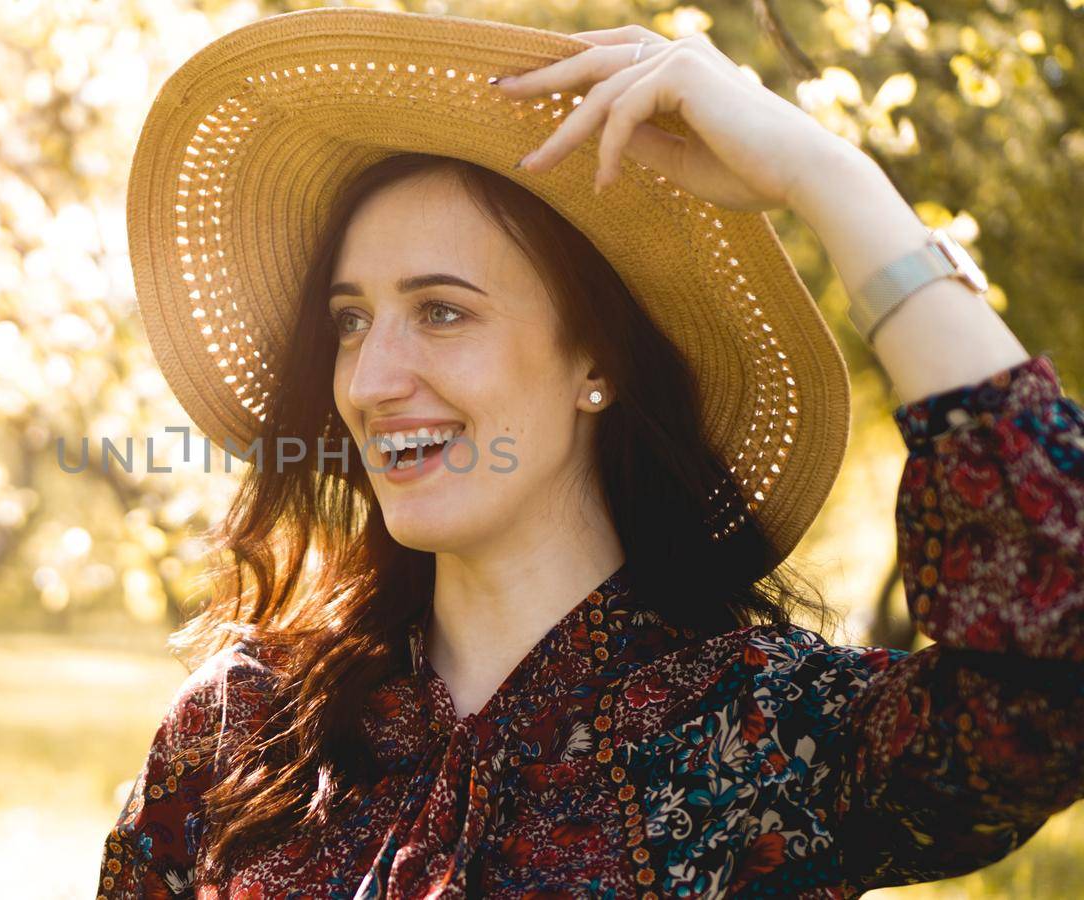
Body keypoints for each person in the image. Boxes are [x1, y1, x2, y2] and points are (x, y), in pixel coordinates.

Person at [96, 8, 1083, 898]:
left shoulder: (761, 736)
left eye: (441, 311)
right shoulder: (238, 731)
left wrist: (827, 177)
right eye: (351, 321)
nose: (368, 380)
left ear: (596, 366)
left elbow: (1051, 668)